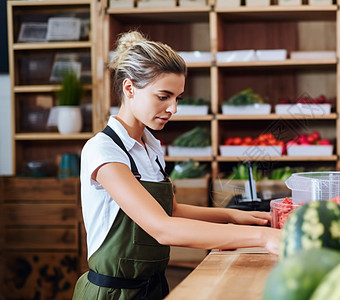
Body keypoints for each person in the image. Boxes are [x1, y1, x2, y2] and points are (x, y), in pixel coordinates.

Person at [73, 31, 281, 299]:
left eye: (178, 98)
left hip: (153, 288)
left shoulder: (151, 146)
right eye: (163, 96)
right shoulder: (103, 150)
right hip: (113, 293)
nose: (173, 108)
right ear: (129, 88)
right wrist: (262, 238)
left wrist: (232, 215)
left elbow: (171, 209)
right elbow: (163, 227)